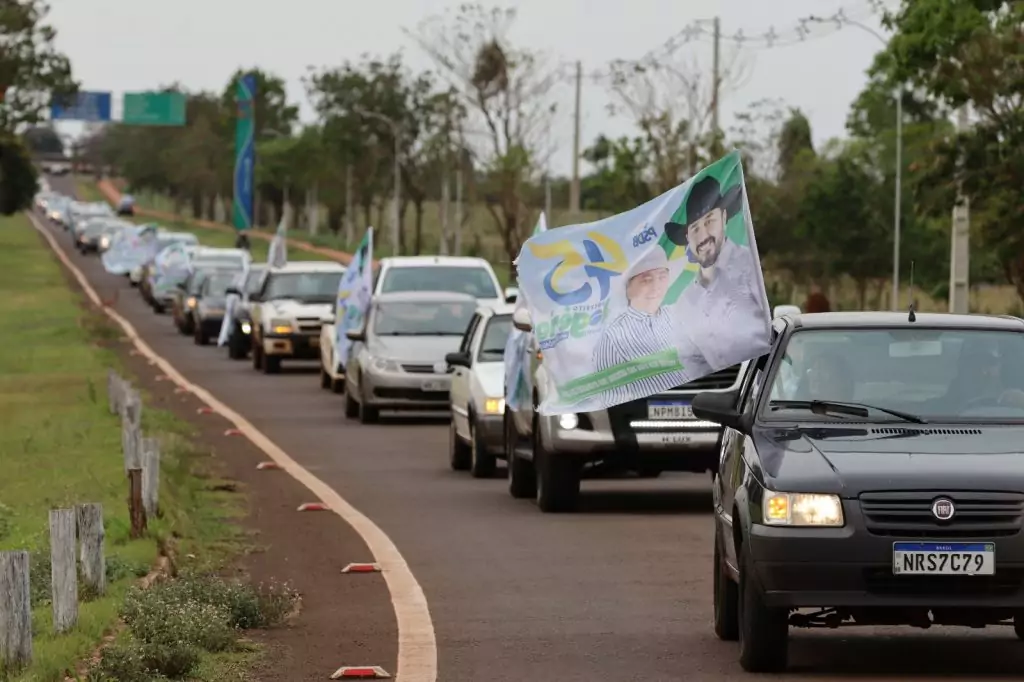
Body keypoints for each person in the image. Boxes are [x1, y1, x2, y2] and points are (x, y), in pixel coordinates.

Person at [664, 174, 771, 370]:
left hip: (767, 382)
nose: (703, 236)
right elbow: (692, 362)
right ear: (687, 238)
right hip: (724, 389)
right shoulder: (684, 303)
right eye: (695, 228)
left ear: (724, 218)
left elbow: (773, 332)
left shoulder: (749, 266)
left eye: (709, 221)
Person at [592, 247, 709, 406]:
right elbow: (609, 396)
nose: (656, 286)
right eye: (646, 280)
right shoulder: (612, 336)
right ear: (628, 288)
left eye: (662, 277)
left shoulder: (681, 315)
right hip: (642, 412)